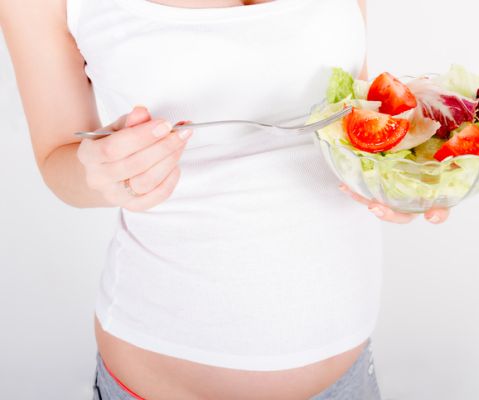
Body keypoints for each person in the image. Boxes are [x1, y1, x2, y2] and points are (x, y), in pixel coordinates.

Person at [0, 0, 449, 398]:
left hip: (347, 368)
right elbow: (58, 158)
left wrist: (398, 176)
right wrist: (103, 172)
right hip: (161, 368)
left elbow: (351, 109)